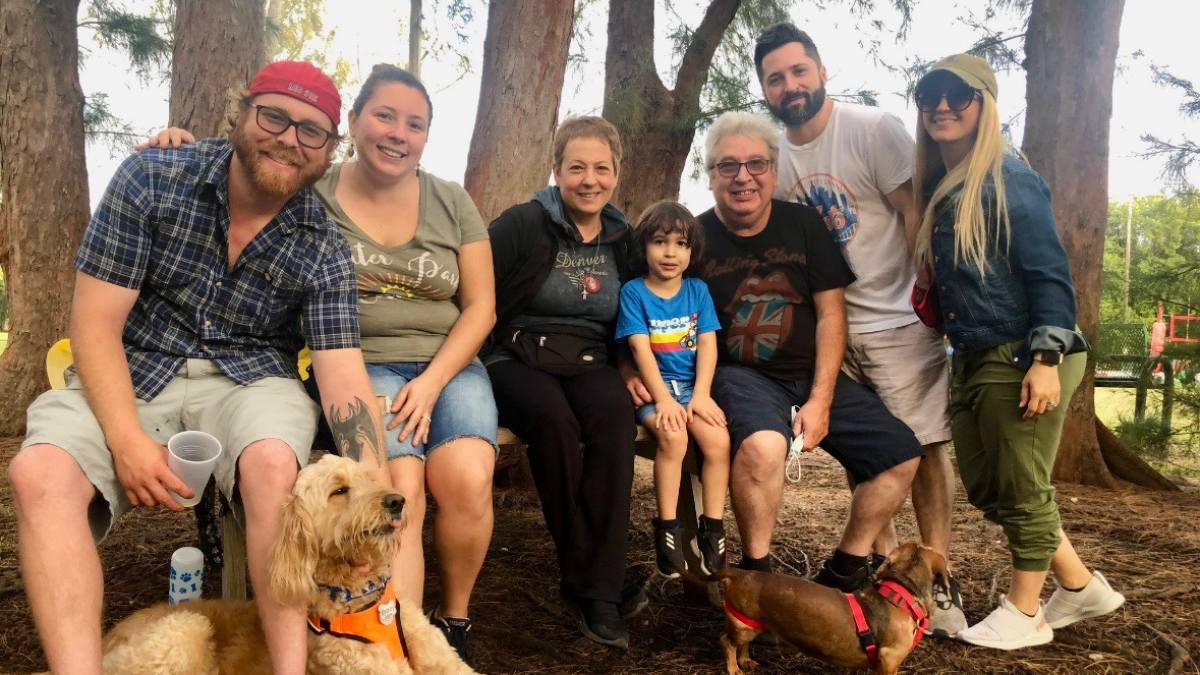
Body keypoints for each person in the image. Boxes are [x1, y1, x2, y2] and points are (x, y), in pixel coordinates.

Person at [8, 61, 387, 675]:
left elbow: (343, 377)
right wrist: (128, 441)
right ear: (241, 114)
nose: (290, 138)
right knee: (38, 473)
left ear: (328, 151)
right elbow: (95, 325)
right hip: (135, 364)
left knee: (272, 465)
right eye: (274, 116)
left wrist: (372, 496)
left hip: (251, 379)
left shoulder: (323, 242)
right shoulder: (152, 178)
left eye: (312, 131)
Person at [140, 64, 499, 660]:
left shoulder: (450, 201)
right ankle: (387, 637)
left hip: (448, 364)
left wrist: (434, 382)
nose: (397, 133)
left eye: (415, 124)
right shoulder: (311, 188)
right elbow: (248, 168)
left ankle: (450, 619)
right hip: (364, 364)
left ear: (427, 137)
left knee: (467, 476)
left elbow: (482, 306)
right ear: (351, 124)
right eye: (383, 115)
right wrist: (177, 142)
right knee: (400, 481)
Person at [625, 111, 923, 595]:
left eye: (756, 164)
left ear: (774, 171)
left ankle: (844, 568)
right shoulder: (689, 240)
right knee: (764, 446)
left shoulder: (804, 225)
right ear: (712, 176)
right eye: (728, 166)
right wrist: (624, 367)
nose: (743, 177)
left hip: (811, 373)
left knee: (900, 456)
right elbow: (640, 306)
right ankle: (756, 577)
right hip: (736, 374)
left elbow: (831, 314)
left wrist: (822, 397)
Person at [752, 22, 965, 636]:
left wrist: (929, 294)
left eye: (798, 71)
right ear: (765, 90)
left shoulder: (873, 130)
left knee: (922, 451)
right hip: (833, 327)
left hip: (898, 319)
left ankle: (938, 581)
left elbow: (910, 211)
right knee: (866, 453)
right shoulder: (777, 156)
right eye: (776, 78)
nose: (790, 85)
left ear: (821, 73)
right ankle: (885, 567)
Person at [912, 54, 1125, 649]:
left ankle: (1025, 611)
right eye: (931, 97)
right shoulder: (941, 188)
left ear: (985, 104)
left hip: (1024, 352)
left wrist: (1046, 360)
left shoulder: (1009, 177)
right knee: (989, 487)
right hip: (975, 356)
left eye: (960, 96)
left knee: (1025, 488)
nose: (944, 107)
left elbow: (1051, 277)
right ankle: (1081, 589)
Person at [485, 116, 643, 649]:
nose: (589, 179)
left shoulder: (624, 238)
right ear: (556, 171)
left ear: (617, 173)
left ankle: (587, 582)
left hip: (592, 357)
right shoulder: (522, 224)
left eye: (601, 168)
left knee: (614, 416)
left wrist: (627, 367)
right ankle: (598, 589)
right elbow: (476, 291)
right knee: (552, 420)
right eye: (576, 167)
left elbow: (635, 312)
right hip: (514, 354)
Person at [616, 201, 730, 579]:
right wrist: (663, 398)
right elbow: (639, 347)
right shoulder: (635, 293)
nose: (670, 252)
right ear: (643, 247)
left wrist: (701, 394)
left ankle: (712, 529)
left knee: (717, 443)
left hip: (692, 389)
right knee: (674, 439)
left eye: (681, 243)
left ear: (691, 251)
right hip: (655, 390)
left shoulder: (697, 290)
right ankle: (668, 531)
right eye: (660, 242)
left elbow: (709, 345)